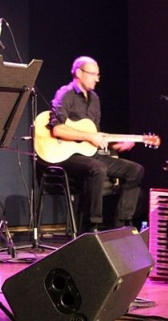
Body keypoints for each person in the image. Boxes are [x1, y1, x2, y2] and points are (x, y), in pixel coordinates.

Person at [47, 56, 144, 232]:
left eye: (98, 75)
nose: (97, 79)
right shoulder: (65, 94)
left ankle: (121, 224)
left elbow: (95, 137)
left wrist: (115, 145)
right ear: (79, 73)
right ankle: (91, 226)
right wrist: (89, 136)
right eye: (93, 74)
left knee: (135, 170)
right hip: (67, 156)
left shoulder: (95, 99)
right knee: (98, 168)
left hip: (91, 154)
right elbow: (58, 130)